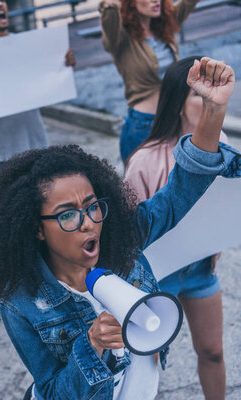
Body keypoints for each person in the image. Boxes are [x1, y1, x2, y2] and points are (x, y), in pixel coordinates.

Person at [0, 57, 235, 399]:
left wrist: (214, 109)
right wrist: (92, 344)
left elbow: (181, 189)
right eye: (68, 214)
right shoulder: (21, 302)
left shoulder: (122, 239)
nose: (89, 223)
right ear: (36, 228)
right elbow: (51, 392)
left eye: (93, 206)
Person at [125, 56, 226, 399]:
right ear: (178, 104)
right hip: (156, 276)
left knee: (213, 350)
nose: (210, 101)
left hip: (199, 270)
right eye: (200, 94)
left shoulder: (223, 146)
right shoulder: (144, 159)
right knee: (145, 365)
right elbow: (131, 235)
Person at [0, 0, 76, 176]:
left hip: (38, 146)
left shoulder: (26, 45)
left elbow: (46, 80)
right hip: (2, 155)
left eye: (2, 1)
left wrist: (64, 64)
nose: (0, 5)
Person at [100, 0, 200, 162]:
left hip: (173, 121)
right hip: (144, 126)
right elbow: (109, 11)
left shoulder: (163, 26)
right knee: (143, 185)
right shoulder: (120, 38)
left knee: (174, 183)